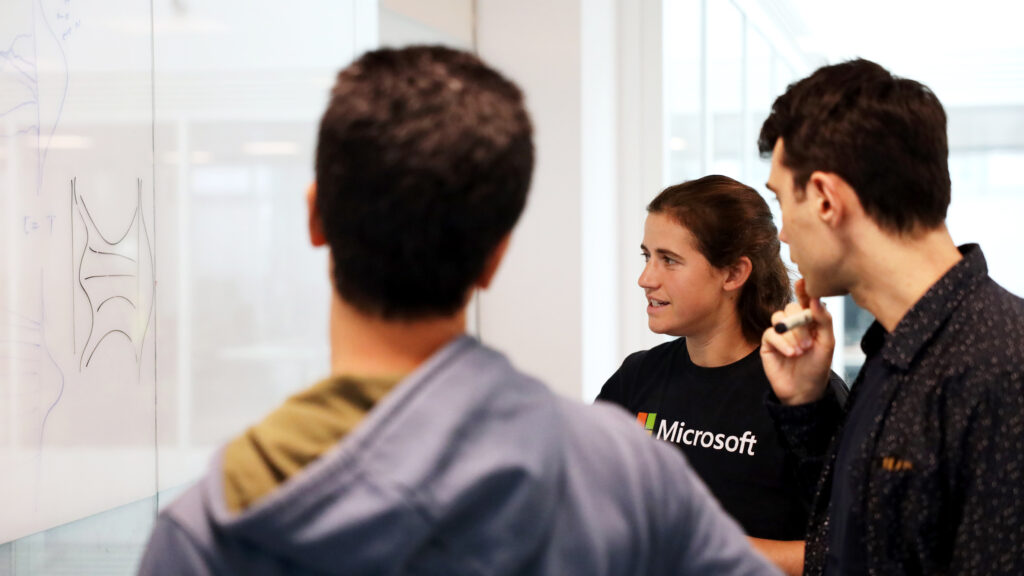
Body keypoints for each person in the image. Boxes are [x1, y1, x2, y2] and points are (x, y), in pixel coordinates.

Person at [136, 46, 781, 575]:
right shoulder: (619, 468)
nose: (649, 277)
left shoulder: (210, 530)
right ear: (495, 255)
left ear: (315, 218)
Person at [758, 58, 1024, 575]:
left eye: (781, 201)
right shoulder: (897, 351)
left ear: (826, 199)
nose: (783, 232)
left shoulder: (1001, 368)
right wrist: (806, 408)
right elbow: (857, 546)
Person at [597, 175, 846, 576]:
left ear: (733, 274)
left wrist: (705, 548)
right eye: (647, 256)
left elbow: (850, 552)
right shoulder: (636, 378)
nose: (646, 278)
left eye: (669, 260)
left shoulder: (805, 396)